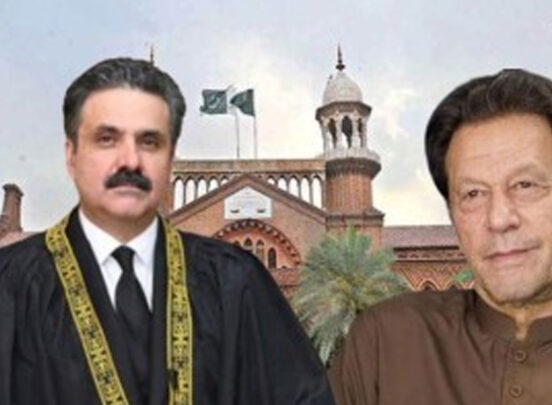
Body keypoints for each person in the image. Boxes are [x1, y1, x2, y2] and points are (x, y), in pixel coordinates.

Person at [329, 69, 552, 404]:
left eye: (525, 185)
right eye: (473, 194)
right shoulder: (384, 342)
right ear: (453, 217)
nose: (499, 219)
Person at [0, 57, 334, 405]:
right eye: (107, 139)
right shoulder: (11, 283)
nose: (130, 161)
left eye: (149, 142)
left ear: (170, 159)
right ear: (71, 155)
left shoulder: (236, 280)